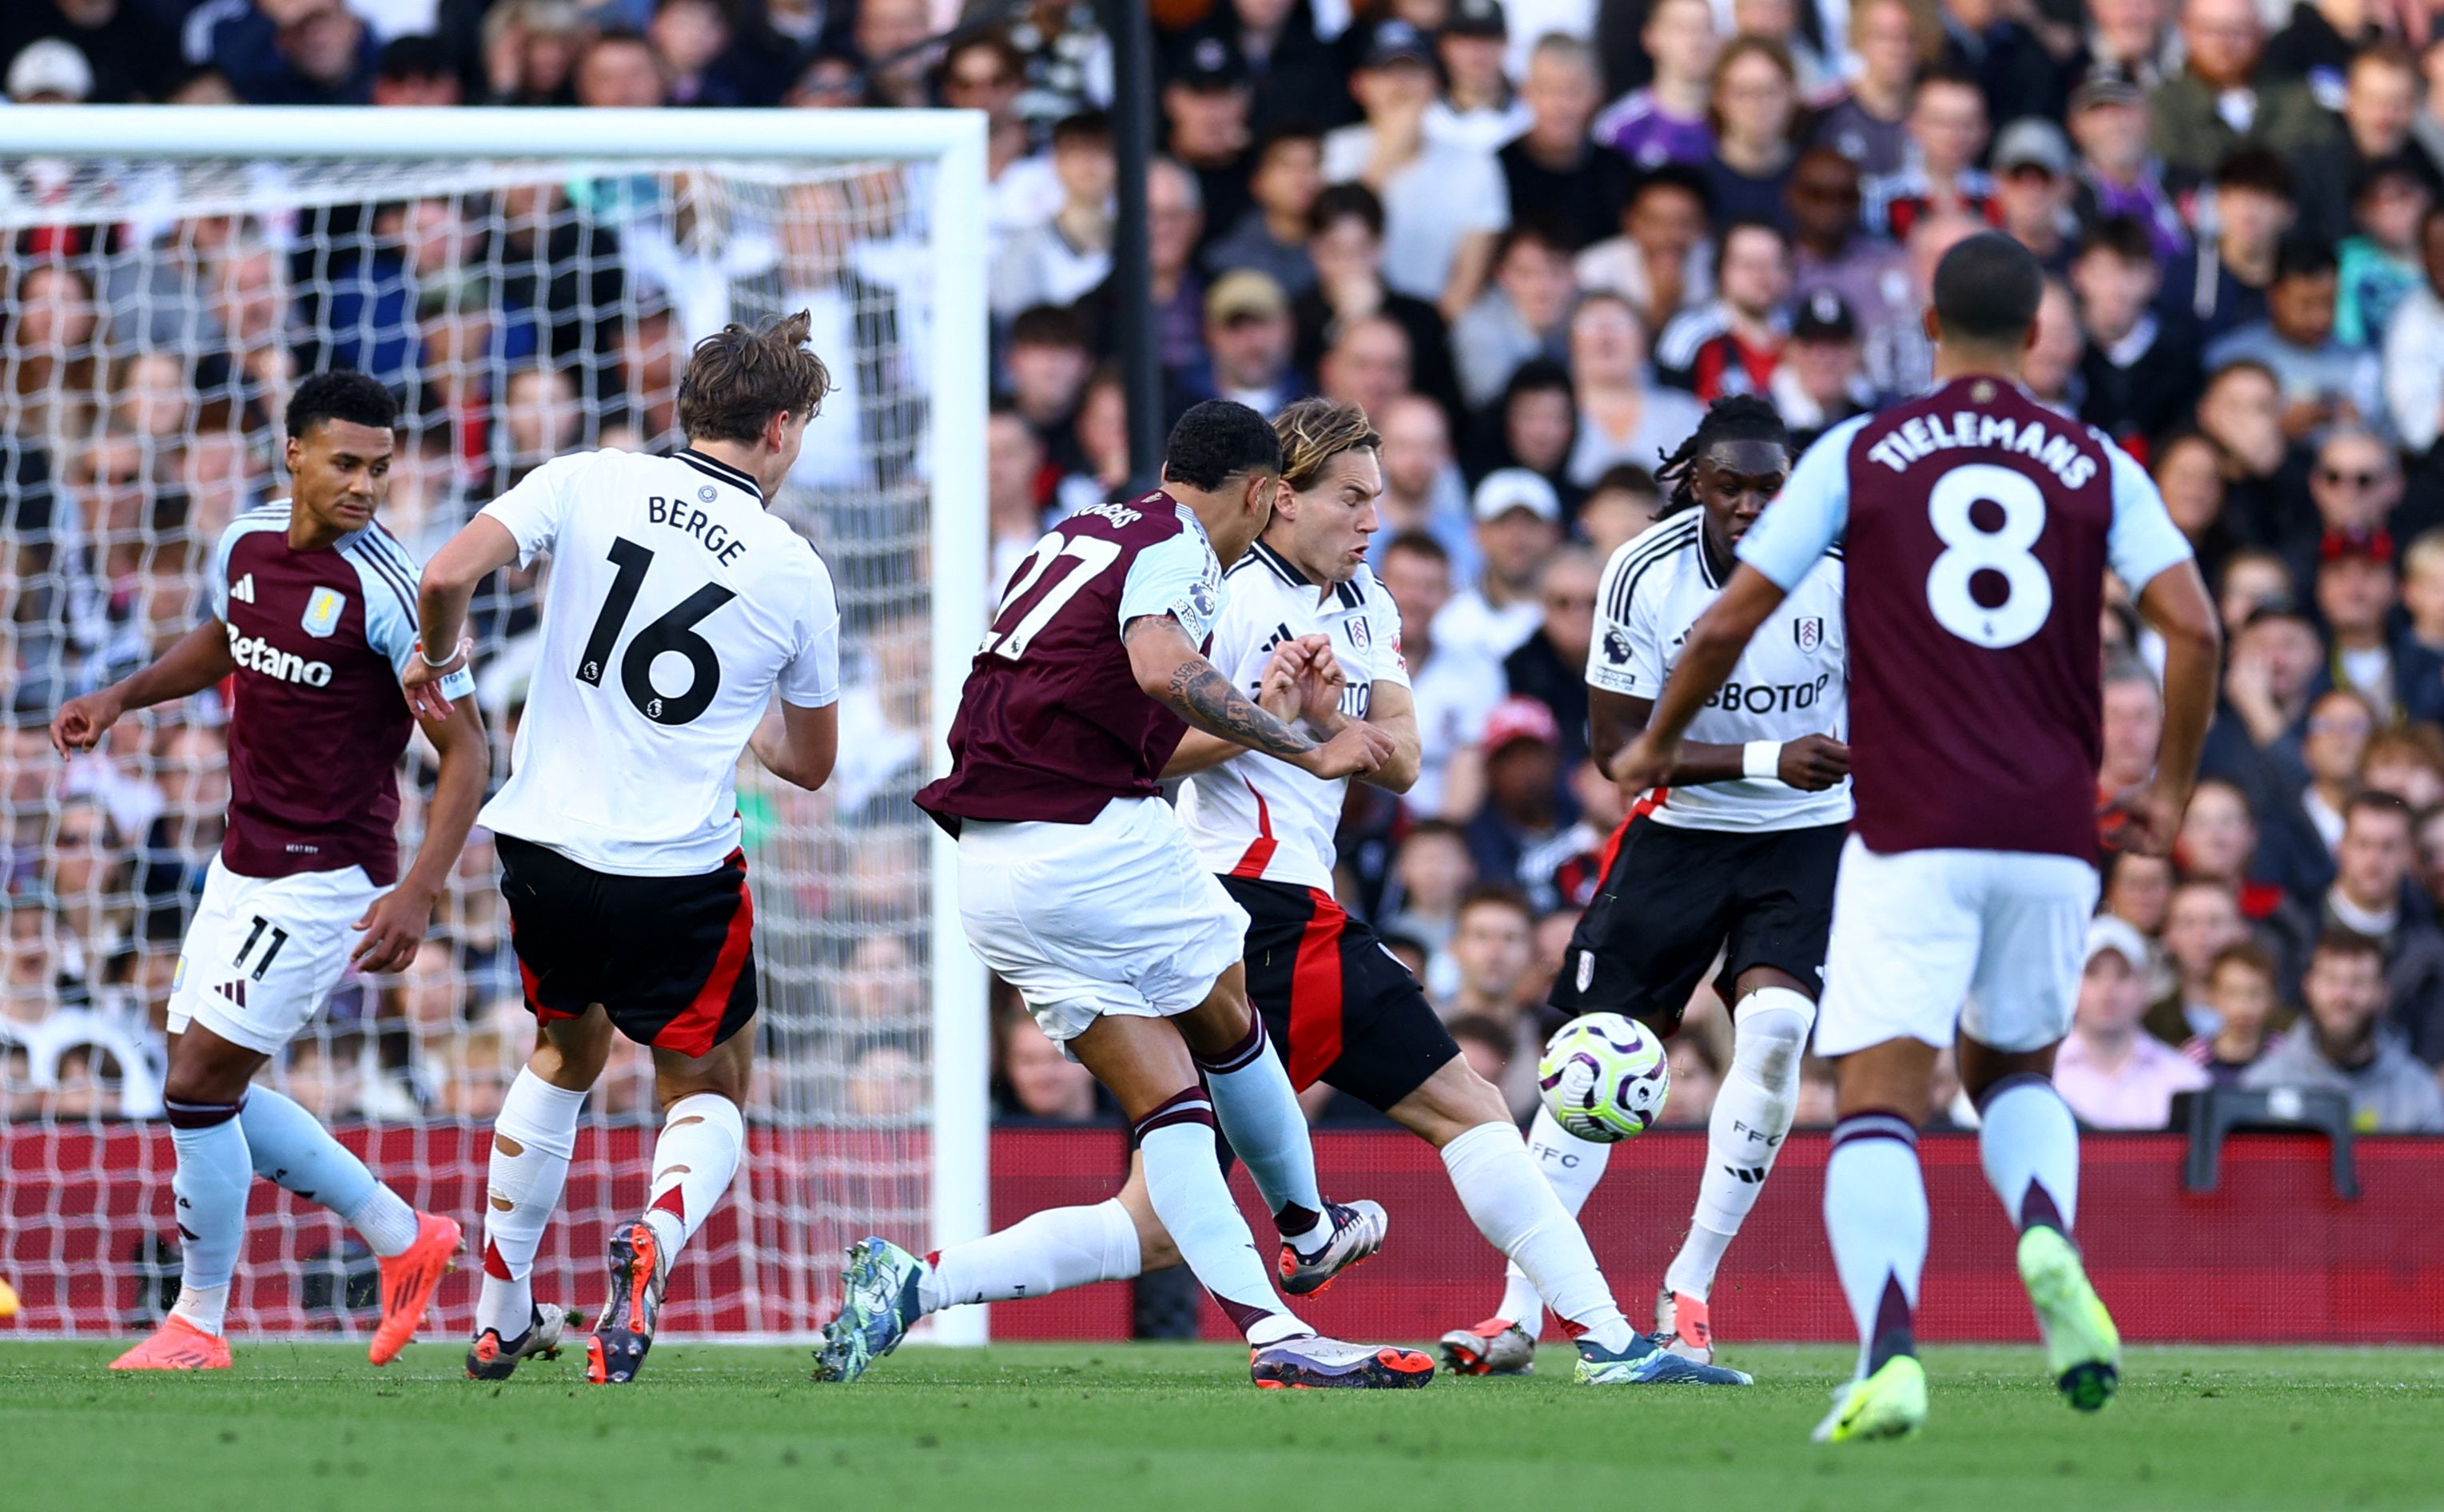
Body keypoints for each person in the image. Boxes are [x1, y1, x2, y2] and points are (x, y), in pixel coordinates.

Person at [842, 400, 1741, 1389]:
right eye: (1349, 497)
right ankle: (1606, 1336)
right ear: (1280, 499)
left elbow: (1395, 760)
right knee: (1466, 1103)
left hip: (1197, 896)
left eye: (1380, 498)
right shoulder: (1210, 586)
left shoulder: (1365, 604)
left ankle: (919, 1284)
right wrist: (1286, 729)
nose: (1370, 519)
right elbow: (1156, 748)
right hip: (1246, 896)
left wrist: (1326, 718)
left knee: (1156, 1220)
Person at [1615, 233, 2220, 1440]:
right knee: (2014, 1074)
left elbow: (1738, 609)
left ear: (1929, 331)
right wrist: (2165, 791)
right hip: (2053, 828)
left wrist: (1654, 740)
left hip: (1912, 823)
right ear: (2040, 334)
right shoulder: (2097, 461)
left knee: (1879, 1097)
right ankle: (2043, 1231)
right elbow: (2194, 629)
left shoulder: (1862, 449)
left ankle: (1889, 1351)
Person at [823, 399, 1420, 1391]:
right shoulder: (1181, 548)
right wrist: (1308, 743)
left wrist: (1261, 715)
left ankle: (1274, 1327)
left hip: (990, 867)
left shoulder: (1080, 529)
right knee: (1230, 1023)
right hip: (1091, 836)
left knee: (1170, 1107)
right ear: (1265, 494)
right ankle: (1309, 1230)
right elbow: (1160, 666)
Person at [407, 315, 846, 1384]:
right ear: (781, 430)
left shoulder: (589, 480)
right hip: (674, 871)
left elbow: (442, 575)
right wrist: (737, 716)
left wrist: (440, 673)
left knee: (561, 1054)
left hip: (544, 847)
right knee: (707, 1083)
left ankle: (500, 1311)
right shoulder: (793, 570)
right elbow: (810, 766)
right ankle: (651, 1239)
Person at [51, 372, 487, 1371]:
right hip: (240, 858)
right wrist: (120, 695)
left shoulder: (396, 593)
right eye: (346, 463)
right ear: (293, 453)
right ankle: (401, 1235)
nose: (367, 485)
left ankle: (198, 1321)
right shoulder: (243, 542)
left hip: (328, 874)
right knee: (211, 1082)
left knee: (200, 1080)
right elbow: (227, 637)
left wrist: (417, 889)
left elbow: (468, 753)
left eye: (381, 467)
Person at [1447, 395, 1847, 1375]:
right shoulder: (1641, 572)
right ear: (1695, 485)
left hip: (1806, 838)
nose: (1753, 505)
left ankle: (1691, 1285)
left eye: (1771, 486)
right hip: (1679, 834)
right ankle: (1518, 1310)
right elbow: (1620, 754)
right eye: (1732, 486)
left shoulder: (1842, 574)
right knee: (1597, 1055)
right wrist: (1765, 755)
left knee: (1778, 1030)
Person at [2242, 929, 2444, 1130]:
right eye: (2331, 980)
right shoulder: (2264, 1084)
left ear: (2381, 993)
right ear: (2308, 986)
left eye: (2358, 982)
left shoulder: (2419, 1092)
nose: (2343, 996)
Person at [2054, 915, 2210, 1129]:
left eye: (2123, 974)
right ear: (2070, 986)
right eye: (2092, 973)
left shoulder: (2186, 1080)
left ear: (2145, 988)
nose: (2108, 988)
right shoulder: (2044, 1078)